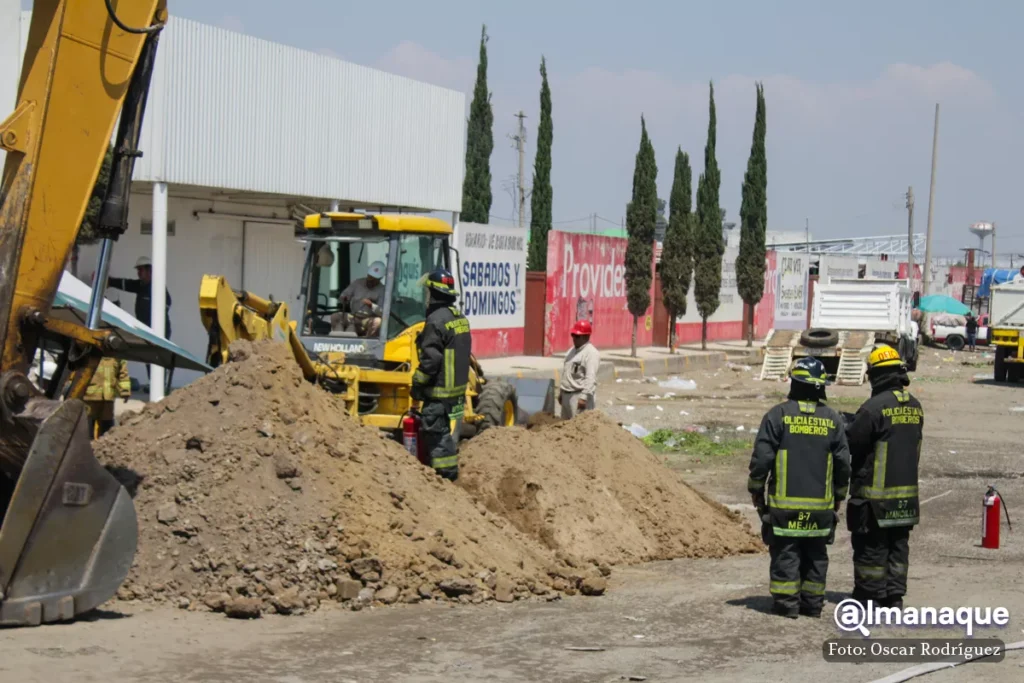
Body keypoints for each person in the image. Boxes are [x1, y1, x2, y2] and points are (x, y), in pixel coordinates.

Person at [748, 357, 851, 619]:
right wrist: (839, 495)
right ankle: (813, 604)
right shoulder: (833, 419)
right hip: (820, 509)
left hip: (785, 508)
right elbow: (843, 463)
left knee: (786, 553)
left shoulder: (777, 415)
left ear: (794, 383)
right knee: (816, 555)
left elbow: (762, 458)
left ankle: (787, 604)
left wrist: (756, 489)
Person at [844, 345, 923, 610]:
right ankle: (894, 595)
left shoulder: (873, 407)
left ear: (876, 375)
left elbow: (854, 443)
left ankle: (871, 595)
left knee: (871, 547)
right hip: (906, 496)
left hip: (874, 497)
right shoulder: (915, 406)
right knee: (898, 546)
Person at [411, 268, 471, 481]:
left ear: (434, 294)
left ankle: (445, 478)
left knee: (436, 435)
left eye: (428, 292)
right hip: (455, 391)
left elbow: (431, 361)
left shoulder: (436, 320)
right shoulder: (459, 318)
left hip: (439, 392)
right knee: (444, 434)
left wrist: (417, 385)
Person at [102, 256, 173, 338]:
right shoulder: (141, 285)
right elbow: (127, 284)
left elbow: (167, 303)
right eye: (138, 270)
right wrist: (109, 281)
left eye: (140, 269)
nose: (138, 272)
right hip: (145, 331)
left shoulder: (157, 287)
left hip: (159, 334)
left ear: (149, 271)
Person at [331, 260, 386, 337]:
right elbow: (343, 296)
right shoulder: (358, 283)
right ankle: (336, 339)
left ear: (380, 279)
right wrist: (344, 299)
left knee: (377, 321)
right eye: (369, 278)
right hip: (353, 316)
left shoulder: (382, 290)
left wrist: (371, 305)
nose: (370, 281)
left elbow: (383, 312)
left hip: (367, 319)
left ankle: (367, 343)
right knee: (335, 316)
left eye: (374, 280)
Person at [559, 320, 600, 419]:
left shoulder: (591, 353)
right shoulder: (572, 351)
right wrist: (561, 393)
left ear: (586, 337)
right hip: (566, 394)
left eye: (577, 336)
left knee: (578, 429)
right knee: (564, 427)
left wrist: (583, 397)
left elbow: (590, 378)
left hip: (578, 396)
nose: (574, 338)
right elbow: (566, 372)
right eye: (573, 335)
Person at [83, 356, 131, 439]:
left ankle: (103, 447)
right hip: (89, 397)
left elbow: (123, 374)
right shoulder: (89, 351)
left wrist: (125, 391)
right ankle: (85, 447)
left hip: (108, 398)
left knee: (106, 428)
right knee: (86, 427)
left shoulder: (117, 356)